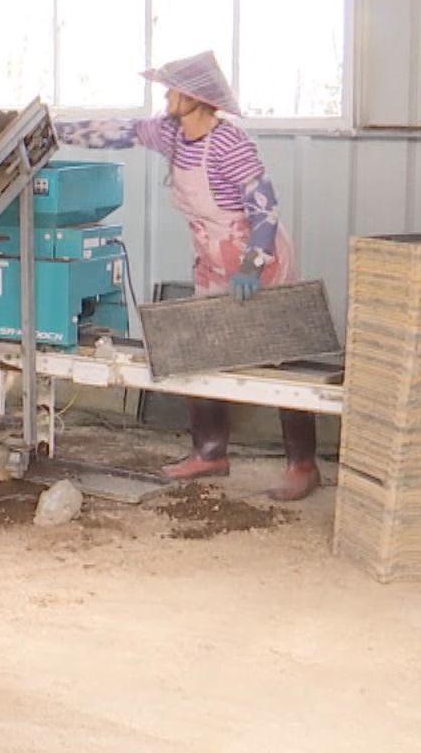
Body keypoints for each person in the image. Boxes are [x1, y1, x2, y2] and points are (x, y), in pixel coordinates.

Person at [54, 50, 319, 501]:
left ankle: (303, 465)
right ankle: (210, 452)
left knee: (280, 357)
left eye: (173, 90)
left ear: (197, 98)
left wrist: (253, 265)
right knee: (201, 350)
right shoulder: (171, 134)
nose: (166, 97)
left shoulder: (230, 144)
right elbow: (120, 131)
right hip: (213, 261)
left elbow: (265, 208)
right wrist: (55, 130)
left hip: (259, 259)